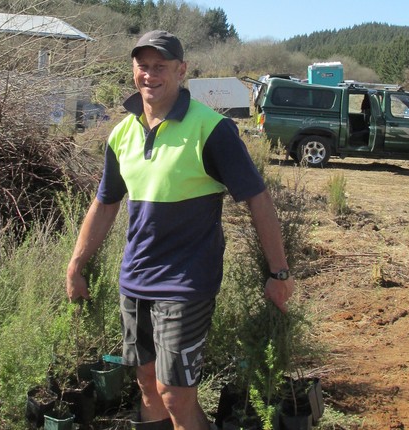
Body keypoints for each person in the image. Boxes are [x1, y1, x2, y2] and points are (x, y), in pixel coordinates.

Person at [66, 30, 294, 430]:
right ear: (133, 70)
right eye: (143, 66)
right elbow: (105, 203)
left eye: (161, 67)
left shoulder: (212, 129)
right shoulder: (122, 133)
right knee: (147, 387)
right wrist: (76, 264)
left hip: (185, 283)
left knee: (175, 394)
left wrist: (279, 273)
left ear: (181, 70)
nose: (150, 75)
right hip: (135, 280)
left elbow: (258, 199)